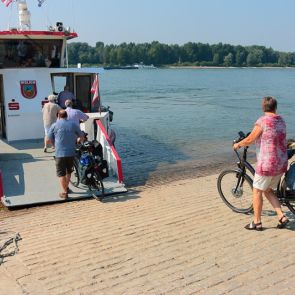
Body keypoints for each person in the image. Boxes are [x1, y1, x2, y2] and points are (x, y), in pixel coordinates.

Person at [233, 96, 289, 231]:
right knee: (268, 190)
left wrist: (238, 145)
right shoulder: (281, 120)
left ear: (263, 108)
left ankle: (257, 222)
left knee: (257, 191)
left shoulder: (262, 121)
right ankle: (282, 216)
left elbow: (251, 139)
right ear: (275, 107)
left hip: (267, 164)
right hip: (281, 162)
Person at [47, 110, 84, 199]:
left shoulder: (54, 125)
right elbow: (81, 136)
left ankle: (64, 192)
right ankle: (66, 187)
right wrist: (78, 141)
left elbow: (49, 139)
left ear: (58, 116)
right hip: (71, 152)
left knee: (61, 173)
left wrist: (54, 145)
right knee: (68, 171)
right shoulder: (73, 124)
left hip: (59, 153)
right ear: (66, 116)